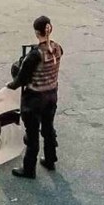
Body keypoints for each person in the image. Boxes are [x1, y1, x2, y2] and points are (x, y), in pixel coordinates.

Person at [5, 16, 62, 178]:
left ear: (37, 32)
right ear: (50, 29)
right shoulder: (58, 48)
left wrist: (8, 86)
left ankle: (29, 169)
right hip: (51, 96)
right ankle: (50, 159)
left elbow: (20, 80)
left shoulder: (34, 55)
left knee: (32, 135)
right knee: (48, 129)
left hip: (34, 99)